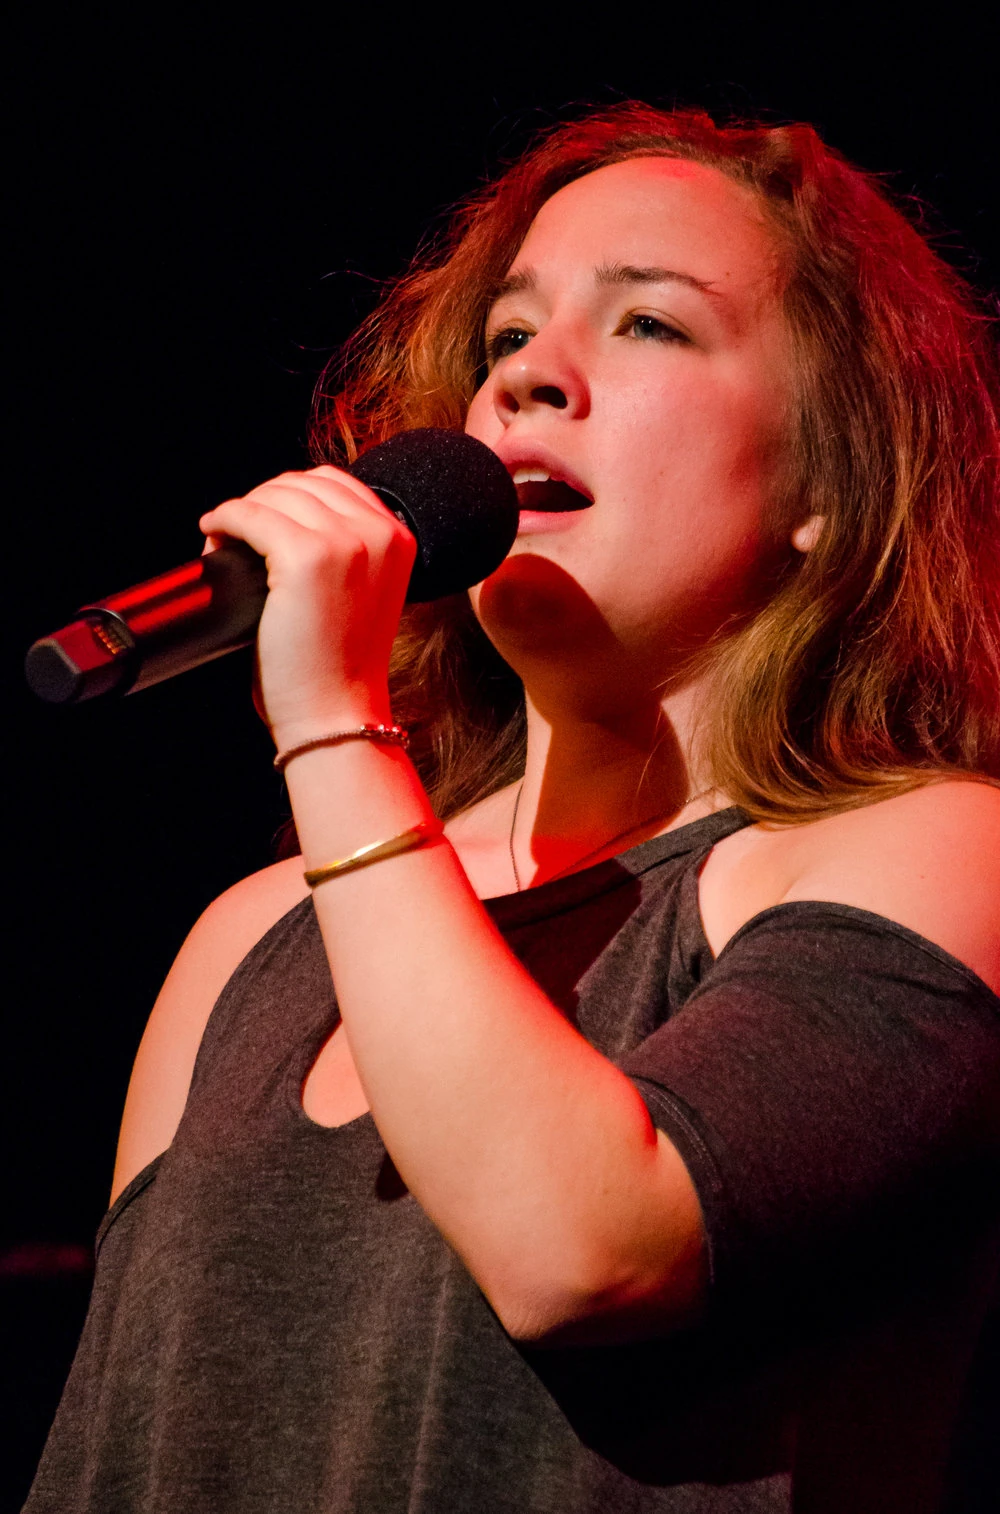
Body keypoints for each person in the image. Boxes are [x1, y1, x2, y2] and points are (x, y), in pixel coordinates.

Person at [25, 105, 1000, 1513]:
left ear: (829, 486)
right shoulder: (254, 937)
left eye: (649, 323)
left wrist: (333, 723)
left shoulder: (934, 851)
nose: (528, 376)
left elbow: (585, 1248)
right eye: (508, 336)